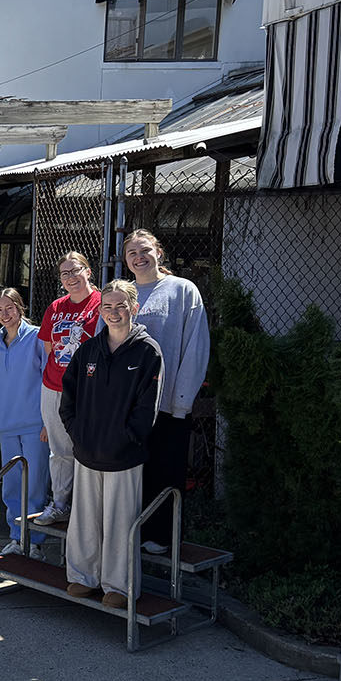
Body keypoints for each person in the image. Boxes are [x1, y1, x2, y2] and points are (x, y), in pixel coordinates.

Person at [59, 281, 163, 608]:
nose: (114, 313)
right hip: (88, 452)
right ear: (100, 311)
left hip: (124, 457)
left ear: (134, 308)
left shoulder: (148, 352)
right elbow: (69, 398)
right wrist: (79, 433)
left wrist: (126, 439)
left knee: (120, 525)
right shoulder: (89, 349)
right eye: (107, 307)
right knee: (84, 521)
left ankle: (119, 586)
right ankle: (82, 577)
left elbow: (147, 409)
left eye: (120, 306)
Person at [123, 228, 211, 554]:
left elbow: (195, 347)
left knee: (166, 470)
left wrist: (182, 400)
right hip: (129, 405)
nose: (139, 257)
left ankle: (160, 537)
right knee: (132, 472)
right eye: (132, 253)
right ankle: (131, 531)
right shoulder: (125, 294)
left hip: (169, 403)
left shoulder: (182, 290)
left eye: (145, 250)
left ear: (159, 252)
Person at [35, 253, 102, 526]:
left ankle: (88, 508)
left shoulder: (100, 303)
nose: (71, 278)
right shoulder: (56, 307)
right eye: (64, 274)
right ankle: (60, 503)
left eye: (75, 271)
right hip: (53, 386)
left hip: (87, 388)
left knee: (87, 447)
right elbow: (49, 349)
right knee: (59, 449)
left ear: (88, 271)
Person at [0, 288, 49, 560]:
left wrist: (49, 420)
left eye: (9, 308)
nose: (5, 314)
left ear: (20, 307)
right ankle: (16, 537)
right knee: (11, 485)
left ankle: (33, 541)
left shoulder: (36, 337)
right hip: (7, 423)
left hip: (34, 423)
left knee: (34, 484)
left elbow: (49, 379)